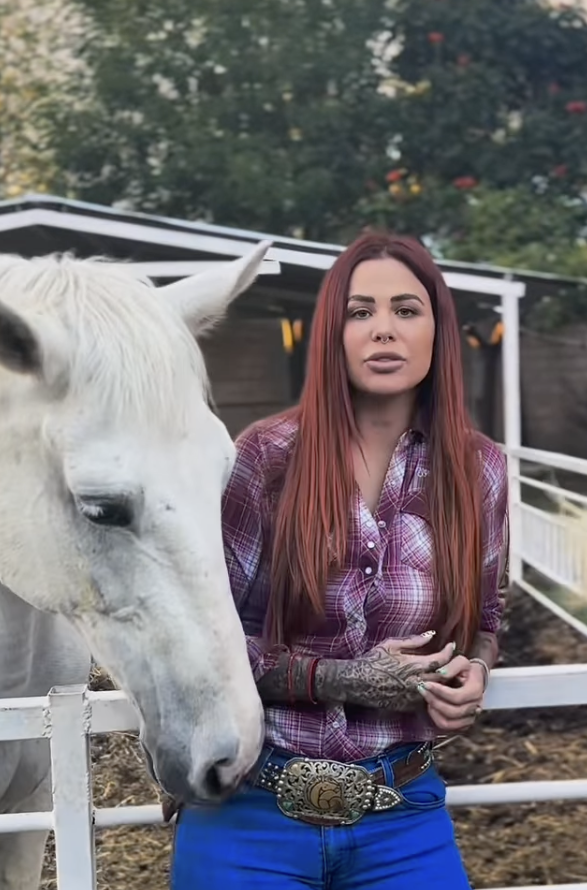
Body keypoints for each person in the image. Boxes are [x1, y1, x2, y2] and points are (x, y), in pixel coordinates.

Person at [169, 231, 510, 889]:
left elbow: (487, 619)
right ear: (334, 333)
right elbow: (204, 641)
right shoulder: (266, 458)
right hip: (250, 806)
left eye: (407, 310)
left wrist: (475, 670)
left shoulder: (481, 469)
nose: (384, 330)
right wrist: (343, 679)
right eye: (361, 312)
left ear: (439, 331)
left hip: (403, 811)